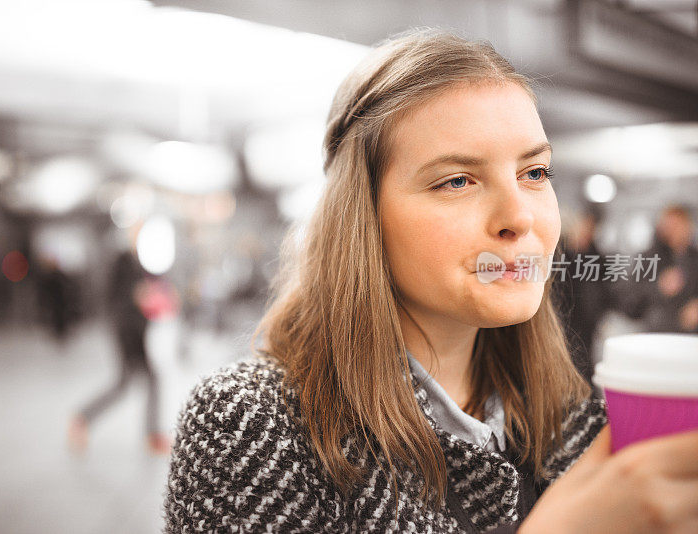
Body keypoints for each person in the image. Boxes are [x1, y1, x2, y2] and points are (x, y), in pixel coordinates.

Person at [164, 31, 698, 533]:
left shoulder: (579, 421)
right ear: (364, 217)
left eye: (535, 173)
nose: (520, 217)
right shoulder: (251, 428)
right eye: (458, 181)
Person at [68, 248, 170, 455]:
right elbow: (138, 295)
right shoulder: (126, 262)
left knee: (130, 383)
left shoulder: (125, 266)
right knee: (135, 382)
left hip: (128, 330)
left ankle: (83, 419)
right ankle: (151, 436)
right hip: (130, 332)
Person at [557, 207, 615, 390]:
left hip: (588, 323)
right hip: (565, 319)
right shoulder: (562, 255)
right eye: (582, 226)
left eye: (589, 227)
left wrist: (601, 315)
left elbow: (607, 290)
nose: (584, 231)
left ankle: (586, 400)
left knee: (584, 362)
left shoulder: (599, 258)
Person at [620, 204, 698, 334]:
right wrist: (659, 287)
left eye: (679, 225)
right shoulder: (648, 258)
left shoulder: (694, 258)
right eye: (669, 226)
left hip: (690, 336)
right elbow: (629, 298)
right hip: (657, 334)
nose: (674, 230)